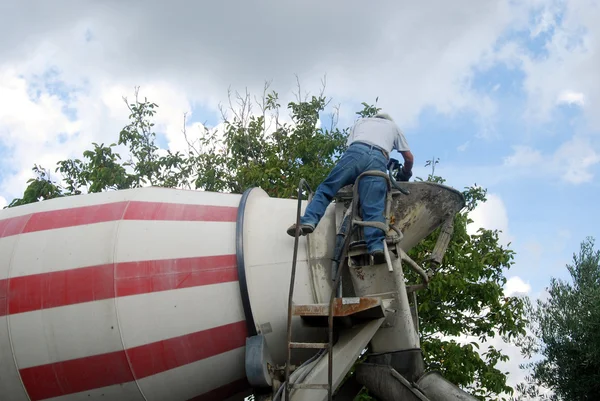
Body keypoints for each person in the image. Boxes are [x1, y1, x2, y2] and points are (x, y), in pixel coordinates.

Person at [286, 112, 413, 264]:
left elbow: (350, 147)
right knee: (373, 206)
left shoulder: (361, 121)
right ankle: (376, 246)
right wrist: (405, 173)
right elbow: (409, 158)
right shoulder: (393, 126)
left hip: (356, 152)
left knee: (328, 188)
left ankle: (308, 221)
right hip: (379, 159)